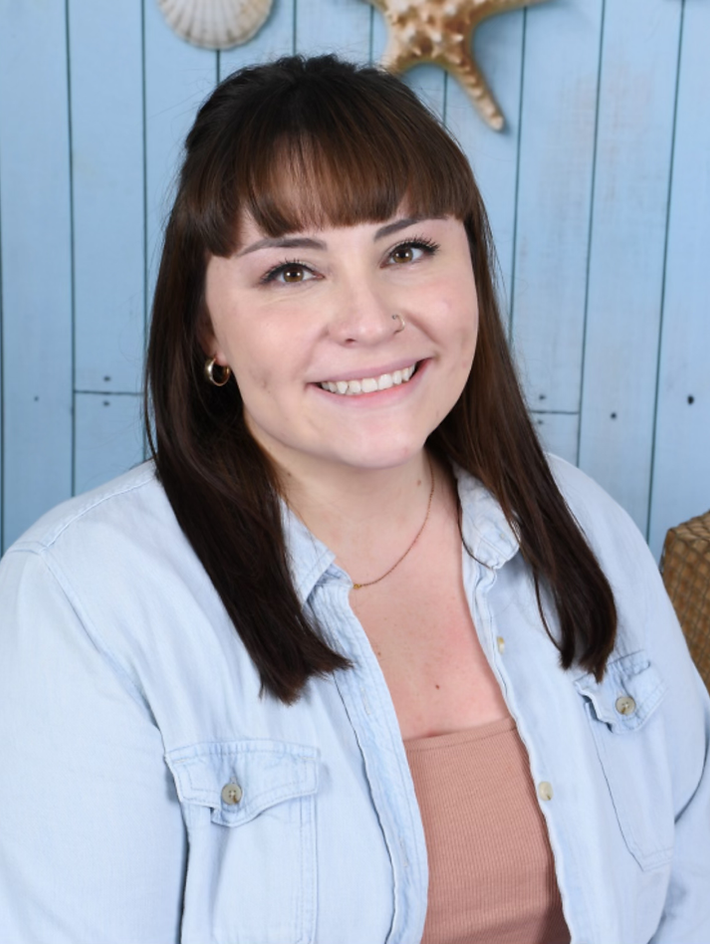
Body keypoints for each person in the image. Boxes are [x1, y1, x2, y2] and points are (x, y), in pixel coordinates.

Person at [0, 54, 708, 944]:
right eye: (292, 272)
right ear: (207, 329)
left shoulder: (579, 521)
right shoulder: (85, 603)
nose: (370, 321)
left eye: (408, 250)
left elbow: (695, 874)